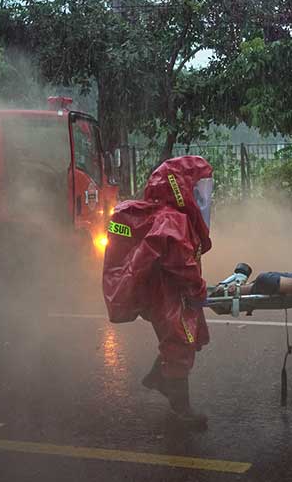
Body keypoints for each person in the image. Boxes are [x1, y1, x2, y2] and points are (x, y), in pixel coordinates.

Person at [102, 156, 213, 430]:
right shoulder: (171, 220)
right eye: (197, 187)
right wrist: (198, 288)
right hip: (170, 295)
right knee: (180, 342)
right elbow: (181, 263)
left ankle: (159, 376)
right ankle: (180, 409)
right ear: (180, 187)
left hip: (164, 293)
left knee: (181, 338)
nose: (202, 195)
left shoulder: (161, 215)